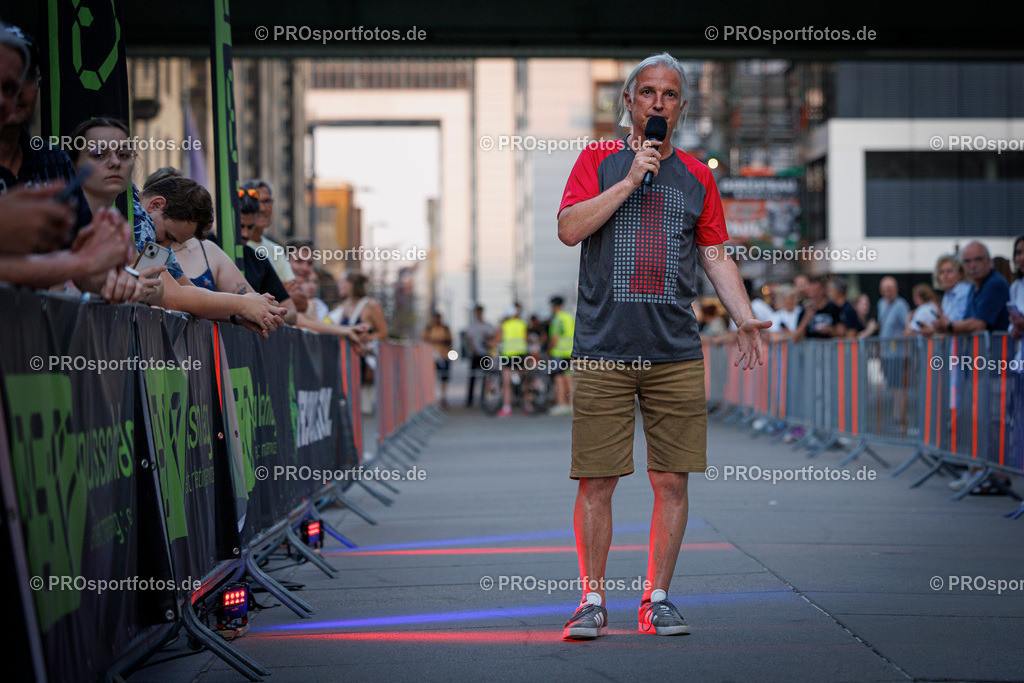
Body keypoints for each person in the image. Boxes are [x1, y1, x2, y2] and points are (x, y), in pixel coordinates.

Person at [556, 52, 768, 639]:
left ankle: (657, 598)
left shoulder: (698, 176)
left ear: (681, 107)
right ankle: (592, 600)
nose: (657, 102)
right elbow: (569, 228)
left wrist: (744, 317)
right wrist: (630, 180)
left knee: (672, 481)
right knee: (597, 480)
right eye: (647, 91)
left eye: (669, 94)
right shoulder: (597, 160)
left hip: (674, 351)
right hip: (604, 348)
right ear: (628, 101)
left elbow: (715, 255)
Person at [69, 118, 286, 336]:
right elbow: (174, 297)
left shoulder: (125, 221)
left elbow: (182, 290)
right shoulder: (139, 219)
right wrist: (242, 304)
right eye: (99, 153)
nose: (115, 162)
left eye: (124, 155)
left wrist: (237, 314)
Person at [329, 271, 388, 412]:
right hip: (344, 362)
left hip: (363, 361)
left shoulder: (370, 305)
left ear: (351, 284)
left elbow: (383, 333)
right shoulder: (342, 306)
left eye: (342, 282)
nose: (339, 285)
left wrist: (367, 338)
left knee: (361, 409)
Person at [933, 241, 1009, 334]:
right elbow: (967, 321)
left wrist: (949, 325)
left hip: (998, 343)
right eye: (967, 261)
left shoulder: (994, 284)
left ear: (989, 261)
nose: (973, 265)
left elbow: (979, 324)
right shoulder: (974, 287)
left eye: (978, 259)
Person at [490, 304, 529, 417]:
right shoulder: (522, 324)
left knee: (507, 383)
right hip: (521, 355)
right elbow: (526, 338)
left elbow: (496, 340)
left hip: (508, 356)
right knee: (524, 382)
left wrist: (490, 343)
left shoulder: (504, 326)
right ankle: (528, 405)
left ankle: (507, 408)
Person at [547, 295, 575, 416]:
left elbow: (555, 338)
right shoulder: (570, 317)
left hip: (559, 353)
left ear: (554, 306)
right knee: (569, 378)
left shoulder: (557, 319)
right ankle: (572, 404)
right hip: (570, 352)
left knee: (559, 378)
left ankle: (561, 404)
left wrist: (549, 350)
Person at [464, 305, 494, 407]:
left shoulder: (487, 326)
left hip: (485, 354)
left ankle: (483, 398)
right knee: (472, 377)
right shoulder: (473, 326)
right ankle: (470, 399)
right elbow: (468, 340)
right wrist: (471, 350)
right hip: (475, 354)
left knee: (485, 377)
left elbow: (493, 338)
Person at [423, 312, 453, 408]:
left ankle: (443, 398)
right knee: (430, 378)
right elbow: (424, 339)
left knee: (444, 378)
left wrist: (439, 341)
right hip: (431, 357)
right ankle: (430, 399)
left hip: (444, 356)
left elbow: (449, 340)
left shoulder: (445, 328)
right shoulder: (429, 328)